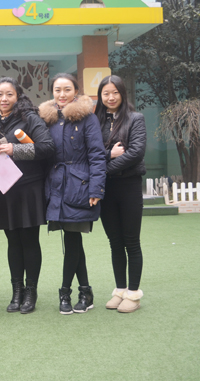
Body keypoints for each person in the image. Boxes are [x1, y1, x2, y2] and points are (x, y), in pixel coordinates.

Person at [0, 77, 55, 314]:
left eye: (9, 94)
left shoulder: (30, 118)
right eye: (0, 94)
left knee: (29, 241)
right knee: (13, 242)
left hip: (28, 187)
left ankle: (31, 293)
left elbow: (47, 147)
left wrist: (15, 149)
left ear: (18, 96)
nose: (4, 99)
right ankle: (17, 292)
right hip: (5, 189)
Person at [38, 73, 106, 315]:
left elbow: (97, 155)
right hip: (56, 186)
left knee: (72, 239)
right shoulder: (47, 118)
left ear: (76, 91)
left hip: (80, 186)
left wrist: (96, 188)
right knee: (72, 239)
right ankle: (85, 292)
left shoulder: (87, 118)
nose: (62, 94)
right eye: (57, 89)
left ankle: (65, 291)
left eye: (67, 89)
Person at [96, 75, 146, 313]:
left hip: (129, 186)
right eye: (106, 93)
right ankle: (120, 290)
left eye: (115, 92)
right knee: (115, 242)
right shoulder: (96, 121)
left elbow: (135, 152)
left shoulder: (136, 119)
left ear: (123, 93)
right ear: (100, 96)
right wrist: (107, 158)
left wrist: (104, 169)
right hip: (107, 189)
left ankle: (133, 294)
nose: (111, 97)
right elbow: (90, 153)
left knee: (131, 241)